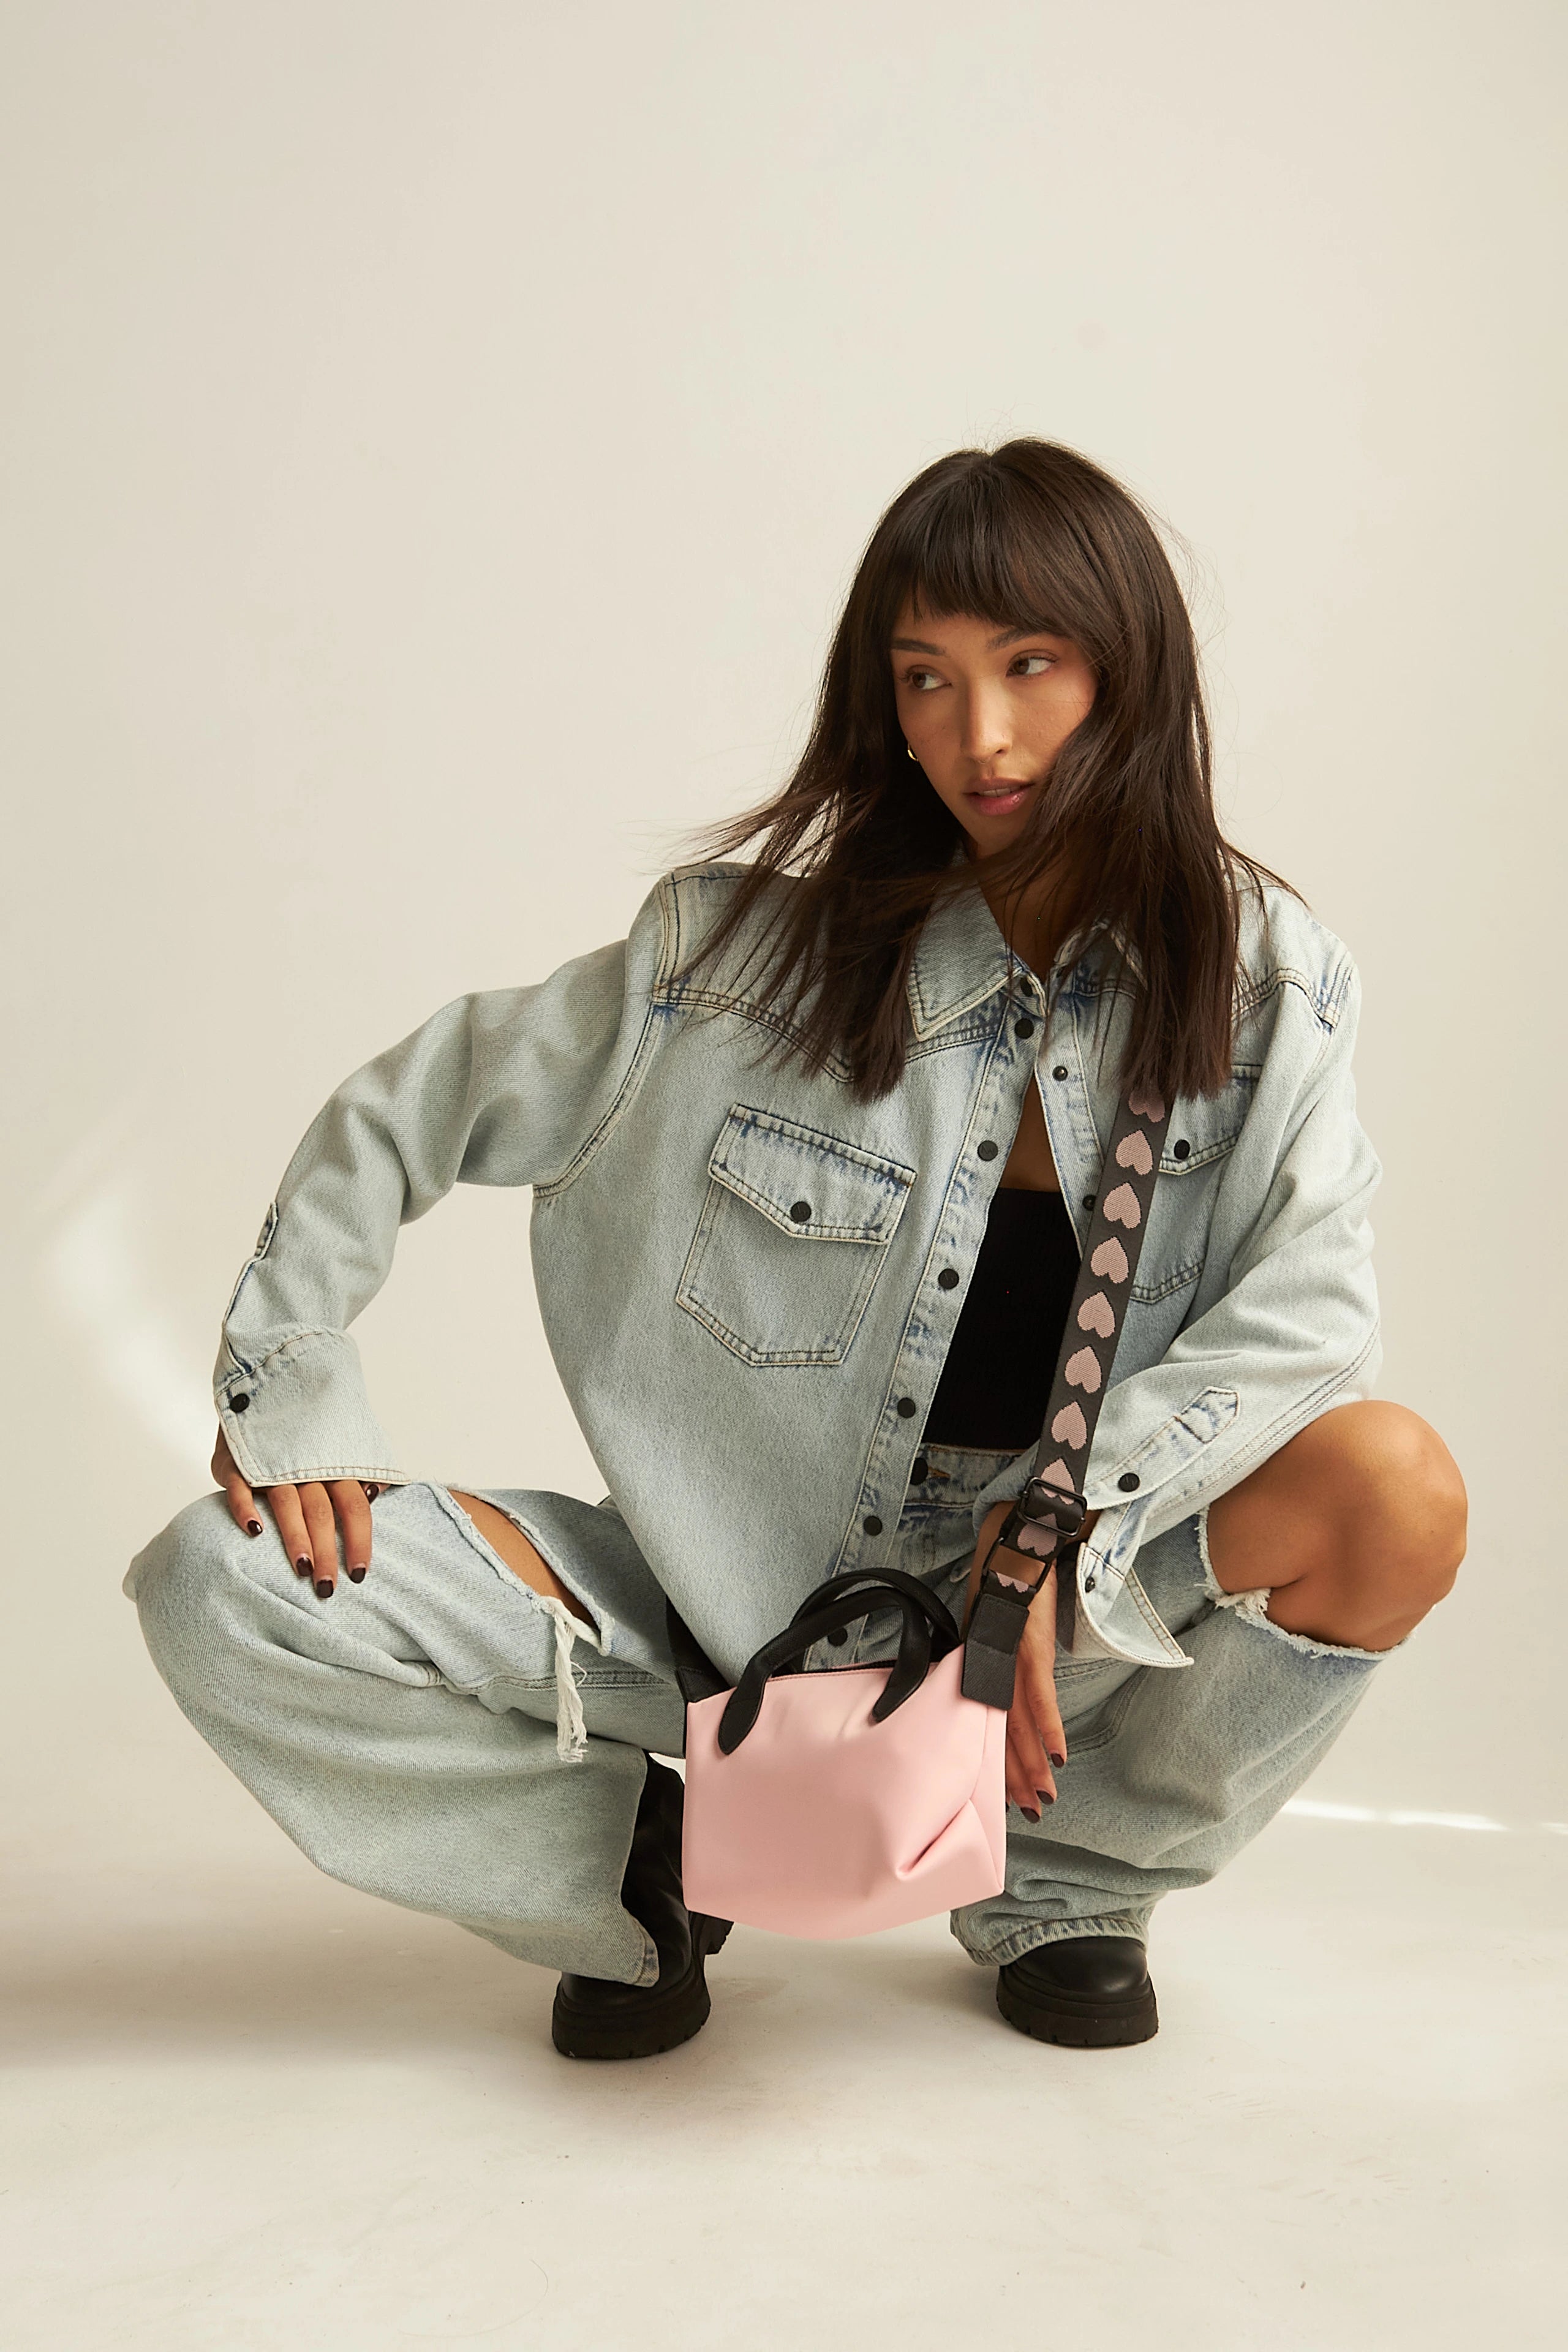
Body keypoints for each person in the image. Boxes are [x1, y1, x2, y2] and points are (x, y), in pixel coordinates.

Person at [124, 439, 1468, 2061]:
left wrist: (1056, 1532)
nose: (981, 735)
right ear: (882, 702)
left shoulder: (1263, 979)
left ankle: (1068, 1882)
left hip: (1071, 1614)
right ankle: (640, 1875)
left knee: (1393, 1489)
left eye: (1031, 666)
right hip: (728, 1603)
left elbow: (1313, 1309)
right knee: (222, 1578)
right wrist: (295, 1386)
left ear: (1129, 669)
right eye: (928, 678)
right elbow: (417, 1102)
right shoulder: (740, 966)